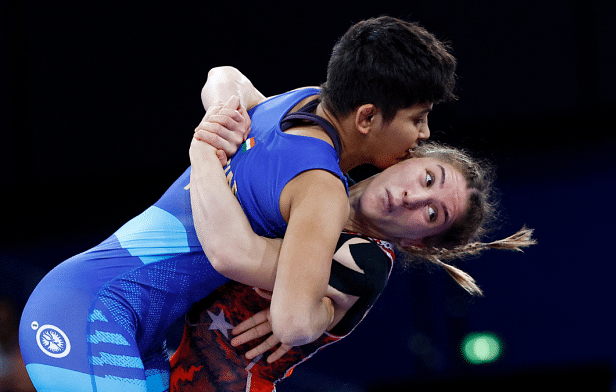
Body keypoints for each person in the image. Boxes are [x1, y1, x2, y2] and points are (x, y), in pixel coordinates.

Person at [18, 16, 459, 392]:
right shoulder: (320, 187)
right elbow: (285, 315)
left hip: (134, 331)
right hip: (88, 311)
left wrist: (215, 117)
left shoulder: (299, 103)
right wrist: (325, 306)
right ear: (366, 117)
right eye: (417, 119)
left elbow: (223, 74)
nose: (422, 135)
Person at [170, 113, 535, 391]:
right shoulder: (319, 178)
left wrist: (204, 150)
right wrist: (221, 104)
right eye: (427, 178)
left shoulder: (367, 263)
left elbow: (236, 252)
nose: (414, 197)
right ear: (406, 158)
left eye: (432, 213)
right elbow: (229, 78)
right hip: (162, 353)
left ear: (417, 243)